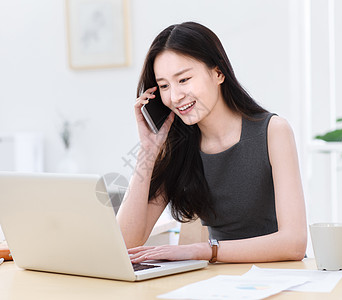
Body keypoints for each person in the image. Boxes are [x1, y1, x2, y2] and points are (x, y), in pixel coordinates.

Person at [116, 22, 307, 263]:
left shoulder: (273, 131)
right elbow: (125, 244)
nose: (174, 96)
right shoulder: (177, 147)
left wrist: (205, 250)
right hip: (219, 284)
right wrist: (147, 151)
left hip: (281, 278)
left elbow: (294, 244)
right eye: (164, 86)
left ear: (218, 73)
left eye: (183, 79)